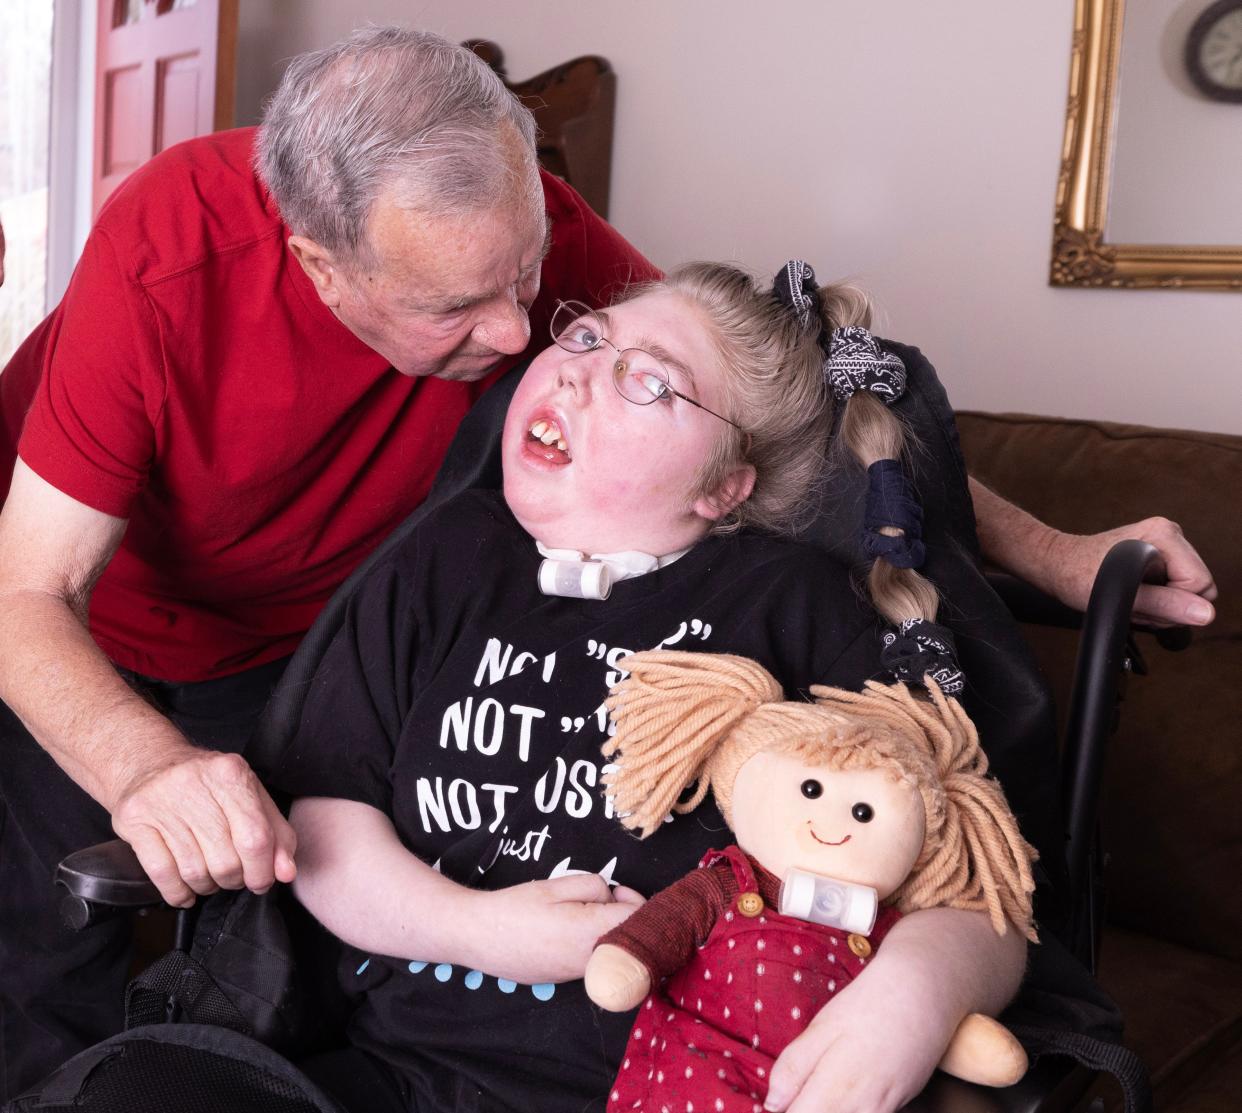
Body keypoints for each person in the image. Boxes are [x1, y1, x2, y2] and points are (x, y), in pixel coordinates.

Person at [0, 24, 1215, 1102]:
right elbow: (29, 595)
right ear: (322, 265)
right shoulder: (178, 257)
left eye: (543, 290)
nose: (526, 334)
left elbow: (811, 420)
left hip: (328, 660)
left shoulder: (530, 268)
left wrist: (1057, 553)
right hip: (89, 625)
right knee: (49, 966)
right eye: (463, 309)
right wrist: (151, 770)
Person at [269, 263, 1028, 1113]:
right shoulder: (446, 556)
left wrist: (916, 994)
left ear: (723, 486)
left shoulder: (790, 603)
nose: (580, 369)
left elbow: (978, 888)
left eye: (650, 380)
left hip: (678, 1087)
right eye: (587, 336)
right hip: (394, 1075)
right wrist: (483, 932)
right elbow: (326, 829)